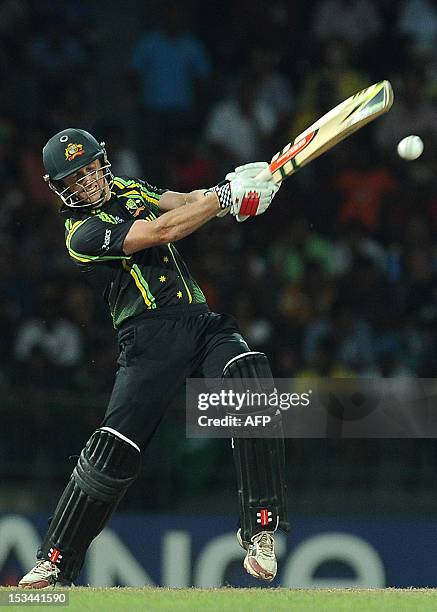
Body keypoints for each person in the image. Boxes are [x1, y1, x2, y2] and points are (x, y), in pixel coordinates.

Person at [19, 128, 289, 588]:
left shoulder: (128, 187)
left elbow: (183, 202)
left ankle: (260, 530)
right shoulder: (81, 234)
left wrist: (245, 189)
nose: (87, 181)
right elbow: (163, 230)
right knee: (113, 451)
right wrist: (225, 197)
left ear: (103, 161)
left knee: (250, 380)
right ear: (59, 188)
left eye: (90, 168)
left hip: (198, 320)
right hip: (148, 341)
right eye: (74, 177)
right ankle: (53, 561)